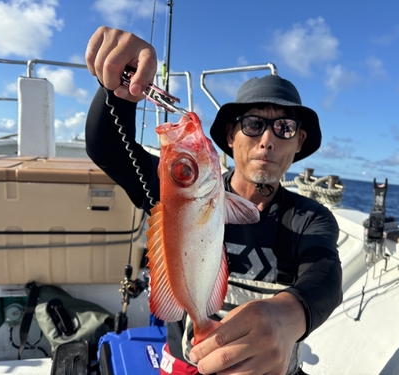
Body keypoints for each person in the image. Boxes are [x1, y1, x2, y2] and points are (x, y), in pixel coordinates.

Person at [85, 26, 342, 375]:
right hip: (186, 362)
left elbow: (325, 275)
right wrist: (119, 87)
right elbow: (109, 150)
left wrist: (289, 315)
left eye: (285, 128)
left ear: (299, 142)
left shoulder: (311, 219)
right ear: (229, 136)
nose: (267, 139)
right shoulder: (179, 190)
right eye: (252, 124)